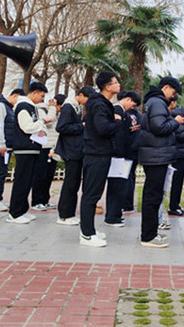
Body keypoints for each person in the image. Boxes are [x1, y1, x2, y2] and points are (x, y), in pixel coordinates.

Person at [139, 76, 184, 248]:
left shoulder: (152, 102)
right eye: (173, 92)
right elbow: (159, 127)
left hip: (154, 154)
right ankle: (148, 236)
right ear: (166, 87)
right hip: (156, 155)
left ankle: (150, 233)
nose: (173, 96)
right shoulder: (158, 103)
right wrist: (175, 121)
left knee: (152, 195)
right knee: (153, 196)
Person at [78, 72, 121, 247]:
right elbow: (103, 128)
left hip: (99, 152)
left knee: (93, 194)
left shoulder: (100, 104)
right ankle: (87, 234)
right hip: (96, 154)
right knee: (91, 194)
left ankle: (90, 230)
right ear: (107, 87)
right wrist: (117, 121)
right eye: (116, 82)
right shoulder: (99, 105)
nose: (119, 85)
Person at [7, 82, 48, 224]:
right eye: (42, 96)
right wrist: (41, 122)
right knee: (21, 181)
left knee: (28, 181)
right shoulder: (23, 106)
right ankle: (14, 213)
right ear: (34, 93)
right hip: (24, 148)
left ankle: (22, 209)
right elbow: (27, 127)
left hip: (32, 148)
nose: (42, 99)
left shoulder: (31, 107)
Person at [54, 86, 93, 225]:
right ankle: (64, 214)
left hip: (76, 150)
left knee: (75, 183)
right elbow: (61, 127)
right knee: (70, 184)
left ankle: (70, 213)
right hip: (70, 150)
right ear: (80, 95)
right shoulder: (68, 107)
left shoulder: (76, 107)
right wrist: (81, 126)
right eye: (87, 99)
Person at [104, 90, 140, 227]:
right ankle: (112, 216)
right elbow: (118, 135)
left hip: (122, 154)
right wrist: (121, 153)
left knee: (120, 185)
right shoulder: (117, 110)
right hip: (119, 155)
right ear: (127, 99)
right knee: (116, 186)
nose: (133, 108)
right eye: (133, 104)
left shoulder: (122, 111)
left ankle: (116, 213)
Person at [0, 88, 23, 212]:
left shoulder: (9, 107)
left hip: (6, 145)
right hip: (1, 146)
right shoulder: (1, 106)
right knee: (0, 172)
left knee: (1, 172)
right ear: (14, 96)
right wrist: (2, 143)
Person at [31, 94, 60, 211]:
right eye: (59, 107)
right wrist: (53, 108)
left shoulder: (56, 112)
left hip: (52, 147)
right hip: (43, 147)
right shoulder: (41, 109)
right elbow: (47, 122)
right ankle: (36, 201)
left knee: (49, 176)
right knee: (40, 175)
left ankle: (45, 200)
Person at [167, 103, 184, 217]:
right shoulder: (180, 125)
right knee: (177, 182)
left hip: (179, 154)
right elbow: (182, 136)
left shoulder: (176, 124)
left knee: (178, 182)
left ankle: (175, 204)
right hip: (179, 155)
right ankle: (174, 206)